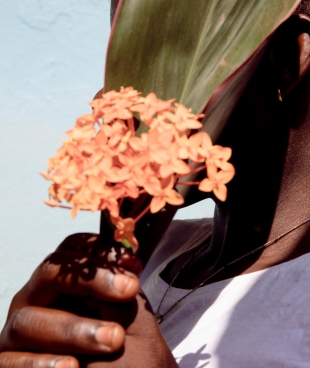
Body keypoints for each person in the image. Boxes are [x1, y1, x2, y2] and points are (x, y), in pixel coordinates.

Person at [1, 0, 310, 366]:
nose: (115, 100)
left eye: (157, 59)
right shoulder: (154, 253)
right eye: (126, 51)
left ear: (286, 61)